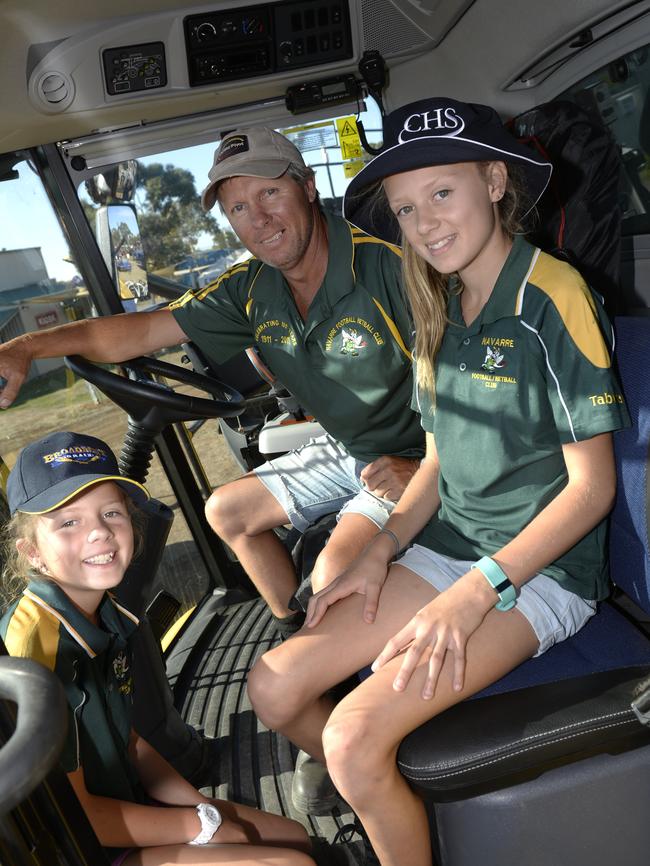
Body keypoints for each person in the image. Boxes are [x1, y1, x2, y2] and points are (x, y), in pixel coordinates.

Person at [246, 96, 630, 866]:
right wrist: (381, 550)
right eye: (405, 208)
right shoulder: (440, 304)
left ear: (495, 181)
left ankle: (374, 785)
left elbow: (593, 490)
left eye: (443, 193)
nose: (425, 224)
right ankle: (389, 803)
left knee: (352, 737)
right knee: (273, 688)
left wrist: (475, 591)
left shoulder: (552, 297)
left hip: (538, 571)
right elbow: (438, 456)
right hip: (447, 546)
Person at [0, 126, 423, 641]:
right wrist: (24, 347)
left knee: (333, 573)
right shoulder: (251, 289)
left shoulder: (392, 271)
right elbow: (140, 331)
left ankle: (317, 657)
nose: (259, 219)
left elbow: (478, 397)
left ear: (308, 187)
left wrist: (423, 468)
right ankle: (292, 630)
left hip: (411, 460)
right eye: (238, 208)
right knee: (226, 510)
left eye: (270, 192)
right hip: (350, 449)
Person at [0, 430, 316, 866]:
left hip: (123, 809)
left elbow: (130, 742)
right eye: (69, 522)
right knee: (289, 864)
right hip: (78, 848)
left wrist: (200, 811)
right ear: (32, 552)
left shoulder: (108, 615)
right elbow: (77, 816)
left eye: (111, 513)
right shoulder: (37, 649)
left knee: (294, 838)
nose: (98, 533)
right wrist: (200, 828)